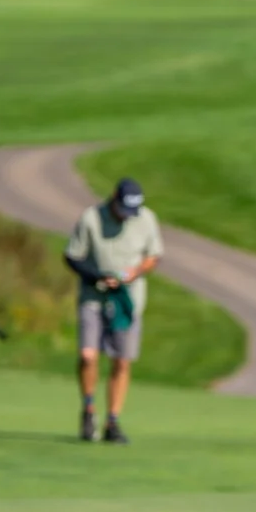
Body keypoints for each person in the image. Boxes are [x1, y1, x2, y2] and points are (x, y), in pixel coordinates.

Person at [63, 177, 163, 444]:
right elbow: (72, 257)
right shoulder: (91, 218)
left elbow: (153, 257)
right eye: (123, 210)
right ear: (114, 199)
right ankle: (88, 409)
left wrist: (135, 272)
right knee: (88, 356)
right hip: (93, 298)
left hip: (127, 301)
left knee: (121, 361)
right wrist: (96, 276)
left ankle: (113, 421)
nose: (127, 217)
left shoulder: (146, 219)